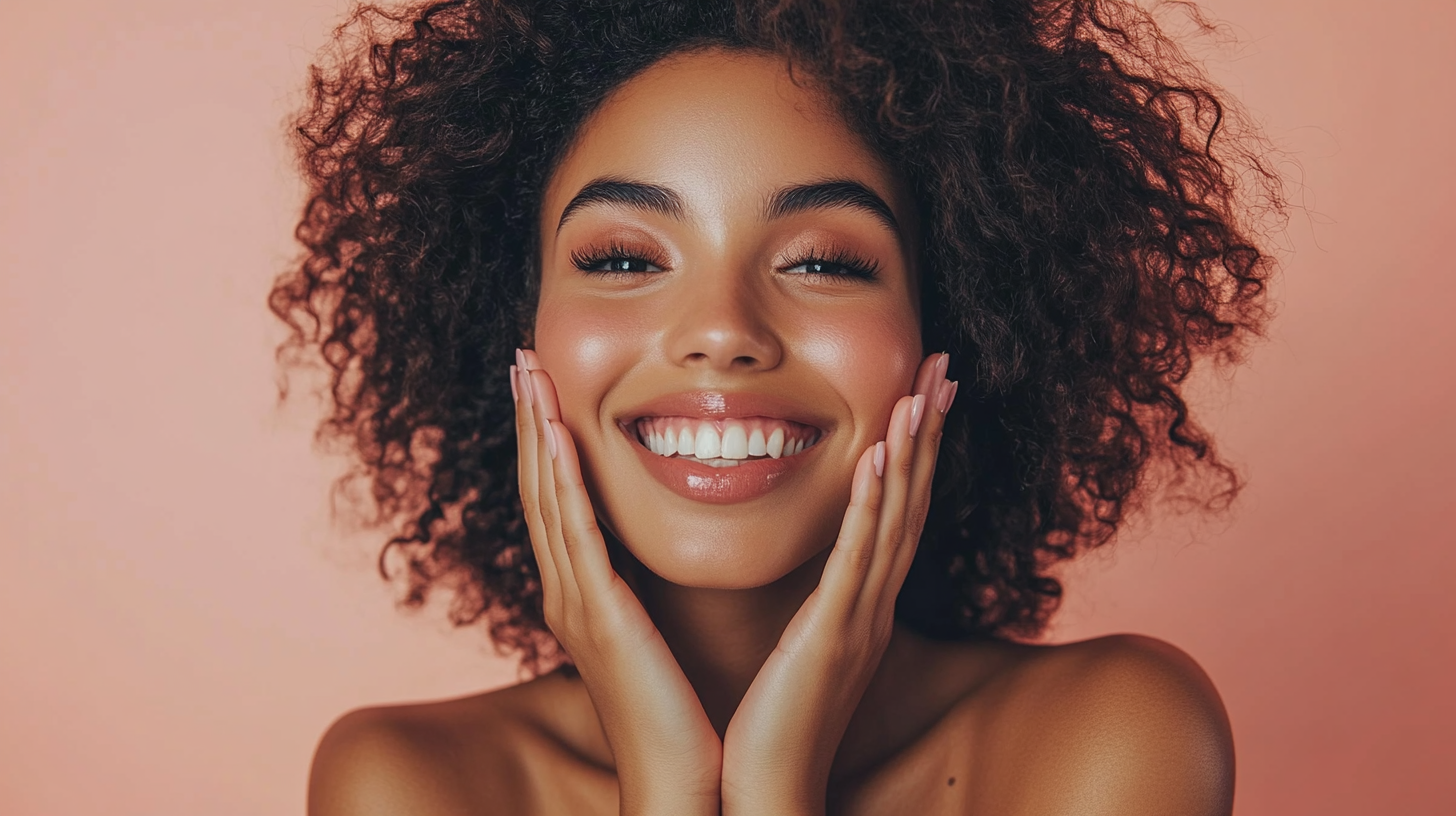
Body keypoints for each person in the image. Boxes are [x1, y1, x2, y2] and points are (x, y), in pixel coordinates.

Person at [270, 1, 1280, 813]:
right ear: (517, 331)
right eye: (622, 258)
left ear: (955, 326)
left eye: (826, 261)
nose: (722, 329)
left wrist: (771, 789)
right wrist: (667, 789)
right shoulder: (408, 785)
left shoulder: (1111, 740)